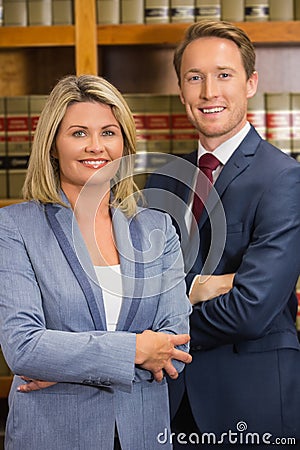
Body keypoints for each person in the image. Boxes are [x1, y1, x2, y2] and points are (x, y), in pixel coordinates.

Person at [0, 74, 192, 450]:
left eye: (108, 132)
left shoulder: (158, 228)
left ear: (124, 144)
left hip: (143, 434)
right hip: (54, 435)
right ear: (52, 145)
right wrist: (134, 350)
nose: (95, 147)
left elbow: (176, 351)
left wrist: (67, 366)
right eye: (78, 133)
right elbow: (23, 347)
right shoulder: (14, 227)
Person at [145, 20, 300, 448]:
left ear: (251, 83)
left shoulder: (284, 179)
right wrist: (199, 288)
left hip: (250, 402)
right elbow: (138, 289)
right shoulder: (161, 181)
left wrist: (154, 340)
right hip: (167, 404)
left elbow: (252, 307)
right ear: (181, 90)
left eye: (224, 75)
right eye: (195, 77)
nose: (209, 92)